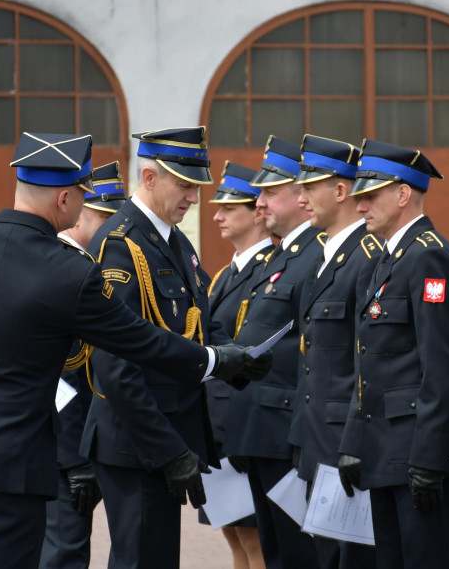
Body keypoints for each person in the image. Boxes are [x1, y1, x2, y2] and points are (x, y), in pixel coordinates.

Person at [0, 132, 270, 569]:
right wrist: (216, 361)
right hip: (13, 463)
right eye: (83, 195)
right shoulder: (69, 272)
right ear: (64, 199)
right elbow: (139, 341)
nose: (86, 204)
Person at [80, 127, 238, 569]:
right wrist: (168, 450)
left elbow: (199, 322)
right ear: (149, 178)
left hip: (157, 437)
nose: (194, 197)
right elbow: (116, 367)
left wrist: (232, 359)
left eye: (196, 186)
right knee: (141, 560)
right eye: (184, 185)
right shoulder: (121, 245)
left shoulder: (172, 240)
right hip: (136, 443)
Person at [337, 139, 449, 569]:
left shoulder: (429, 256)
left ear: (403, 193)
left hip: (414, 457)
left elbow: (442, 366)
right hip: (382, 452)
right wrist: (354, 442)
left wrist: (431, 458)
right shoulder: (386, 260)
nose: (360, 208)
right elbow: (368, 365)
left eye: (370, 196)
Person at [224, 135, 324, 569]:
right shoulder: (283, 257)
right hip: (261, 431)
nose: (259, 202)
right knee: (275, 553)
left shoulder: (316, 256)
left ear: (302, 196)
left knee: (296, 556)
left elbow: (312, 354)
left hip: (285, 433)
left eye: (269, 192)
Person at [290, 134, 381, 569]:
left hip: (345, 444)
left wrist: (355, 441)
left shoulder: (366, 257)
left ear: (341, 191)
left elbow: (368, 361)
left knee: (350, 561)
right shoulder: (327, 255)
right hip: (317, 440)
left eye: (310, 187)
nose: (300, 196)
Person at [39, 160, 128, 569]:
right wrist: (75, 460)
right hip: (63, 445)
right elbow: (60, 377)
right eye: (105, 216)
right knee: (64, 551)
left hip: (84, 441)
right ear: (77, 212)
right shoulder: (67, 271)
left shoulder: (92, 268)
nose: (114, 227)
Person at [202, 160, 272, 569]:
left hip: (243, 425)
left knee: (255, 541)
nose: (217, 215)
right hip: (220, 428)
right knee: (234, 537)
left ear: (256, 213)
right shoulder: (226, 275)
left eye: (229, 208)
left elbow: (258, 357)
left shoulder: (266, 271)